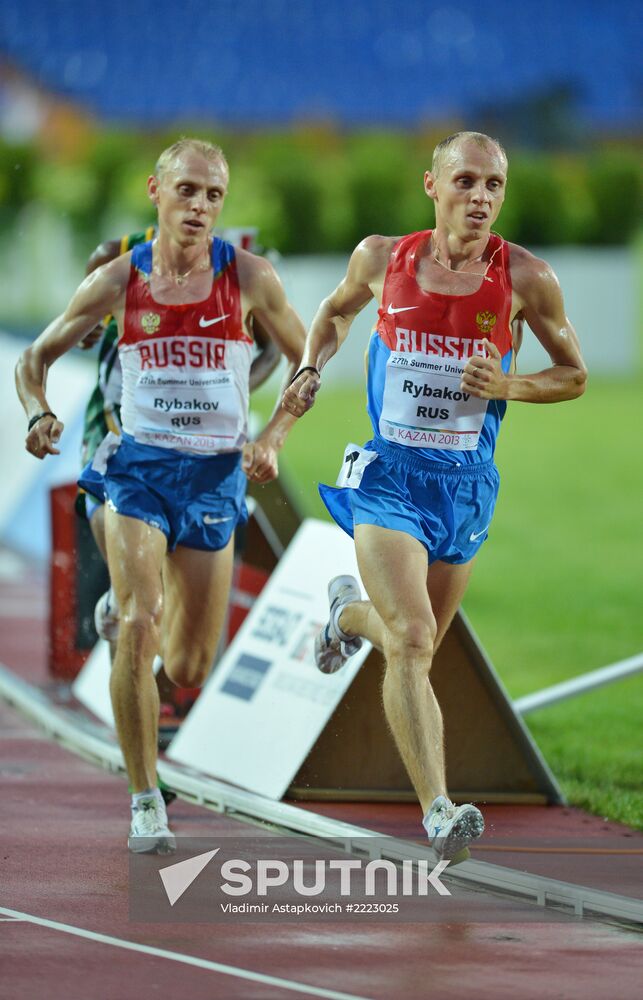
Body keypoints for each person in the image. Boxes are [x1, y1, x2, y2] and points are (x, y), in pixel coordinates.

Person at [282, 131, 587, 861]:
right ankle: (439, 811)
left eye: (492, 186)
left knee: (413, 643)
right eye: (465, 181)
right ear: (432, 185)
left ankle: (342, 616)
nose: (479, 198)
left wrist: (509, 384)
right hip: (390, 475)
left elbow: (571, 373)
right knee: (414, 640)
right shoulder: (382, 258)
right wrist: (308, 363)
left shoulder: (526, 278)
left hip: (466, 486)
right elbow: (331, 313)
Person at [16, 137, 305, 853]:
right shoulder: (120, 275)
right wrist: (38, 413)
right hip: (135, 468)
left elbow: (305, 359)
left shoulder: (251, 276)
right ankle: (145, 798)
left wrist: (269, 435)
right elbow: (34, 357)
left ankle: (128, 608)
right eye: (187, 191)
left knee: (186, 668)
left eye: (213, 195)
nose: (200, 206)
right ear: (156, 191)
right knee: (141, 623)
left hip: (213, 477)